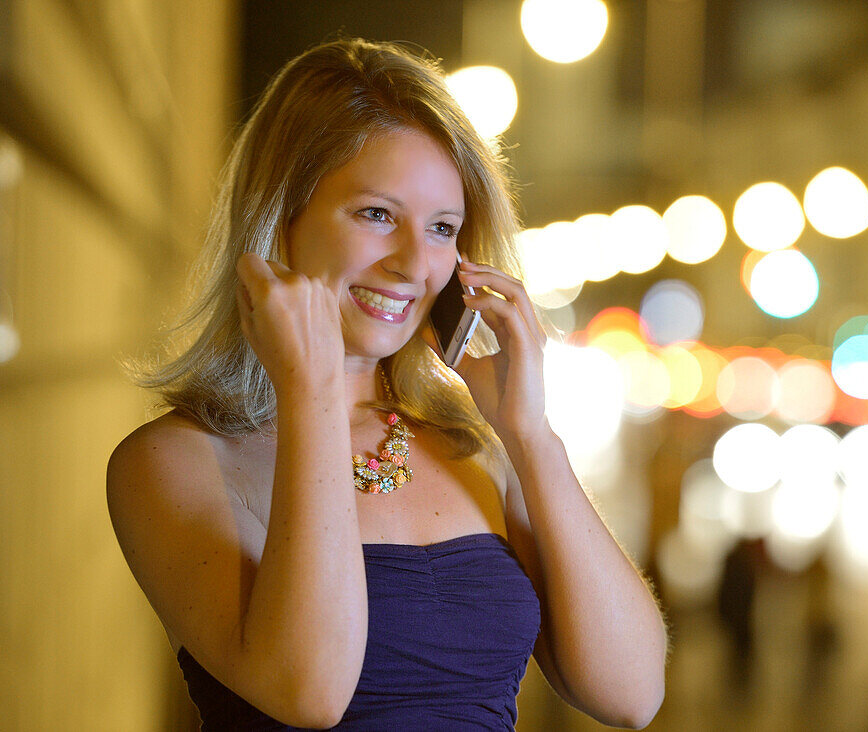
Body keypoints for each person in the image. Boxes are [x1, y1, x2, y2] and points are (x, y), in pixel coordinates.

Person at [106, 38, 667, 730]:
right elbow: (309, 691)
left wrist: (530, 433)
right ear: (282, 218)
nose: (412, 263)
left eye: (441, 229)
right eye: (376, 214)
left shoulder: (478, 447)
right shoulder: (172, 462)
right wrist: (309, 390)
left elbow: (632, 694)